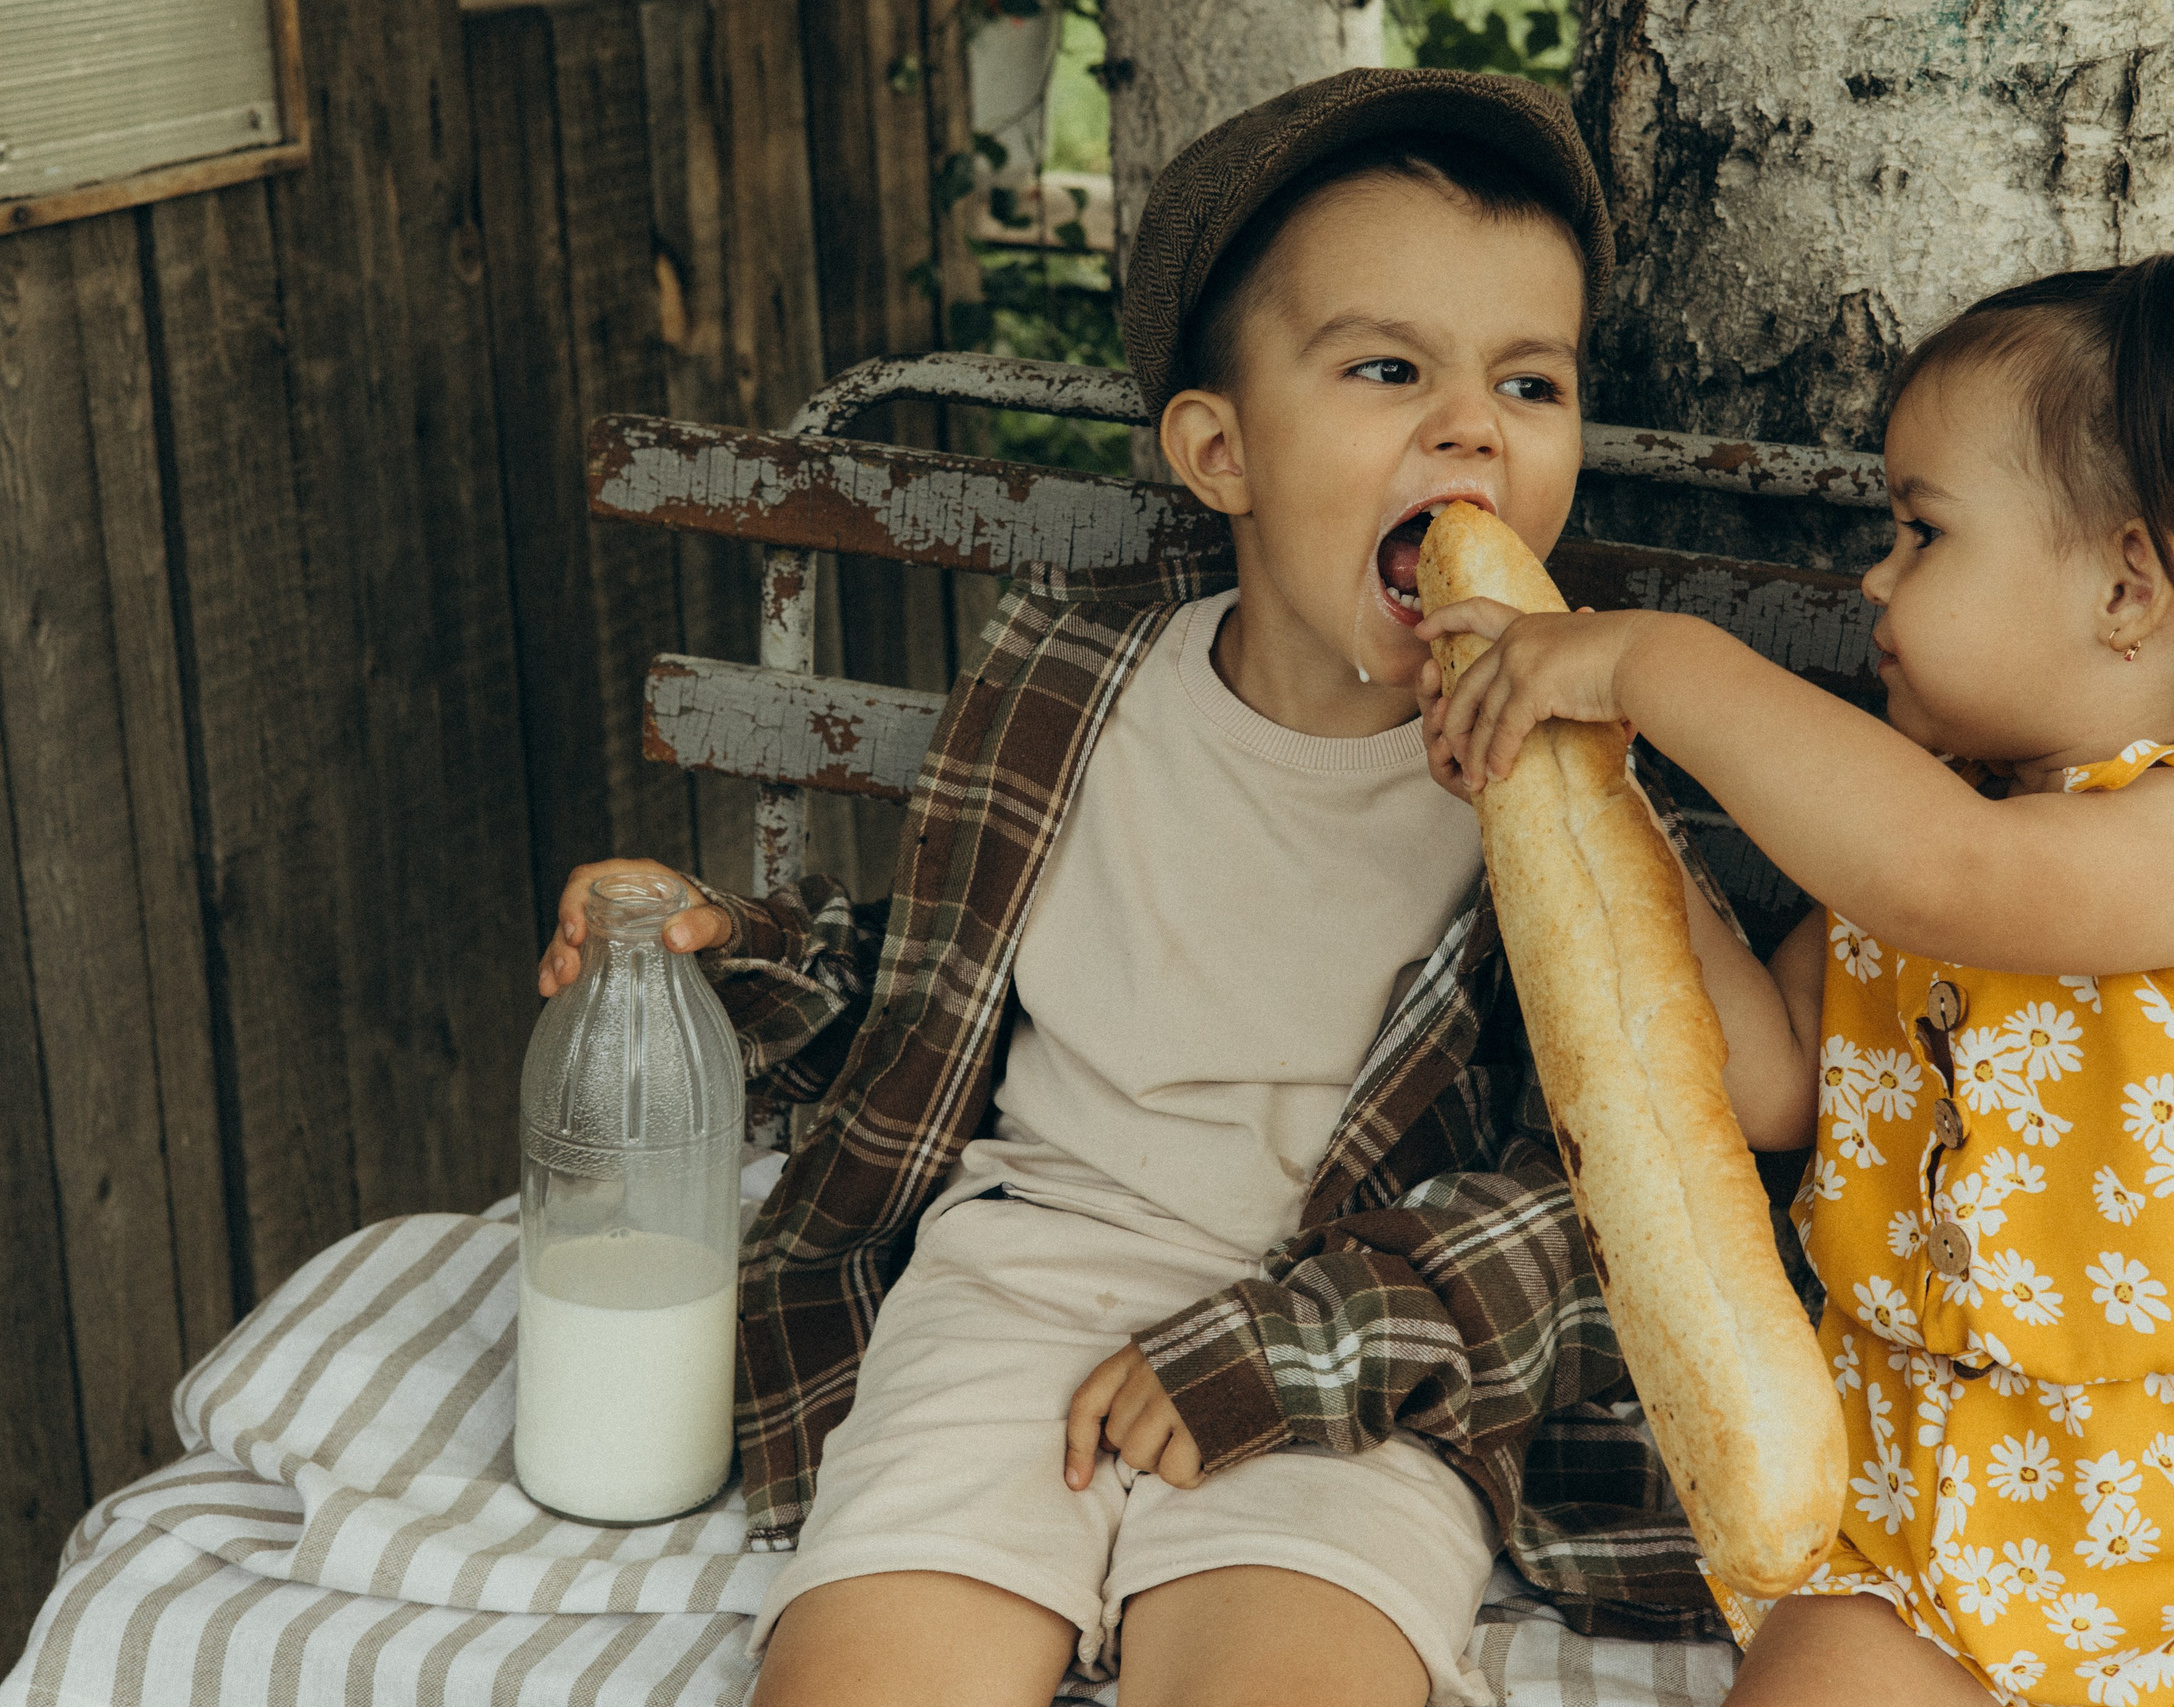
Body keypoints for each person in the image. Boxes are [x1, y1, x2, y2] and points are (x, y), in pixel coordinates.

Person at [534, 68, 1788, 1707]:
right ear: (1220, 450)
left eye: (1530, 381)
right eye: (1389, 367)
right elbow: (938, 995)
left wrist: (1309, 1344)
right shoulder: (1076, 683)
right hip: (1023, 1277)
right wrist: (723, 956)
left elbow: (1612, 1183)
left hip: (1357, 1340)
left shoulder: (1572, 786)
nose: (1472, 425)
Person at [1421, 254, 2174, 1705]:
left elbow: (1950, 874)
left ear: (2129, 585)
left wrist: (1650, 658)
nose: (1876, 577)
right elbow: (1765, 1078)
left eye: (1922, 530)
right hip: (1932, 1529)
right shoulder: (1940, 822)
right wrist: (1593, 799)